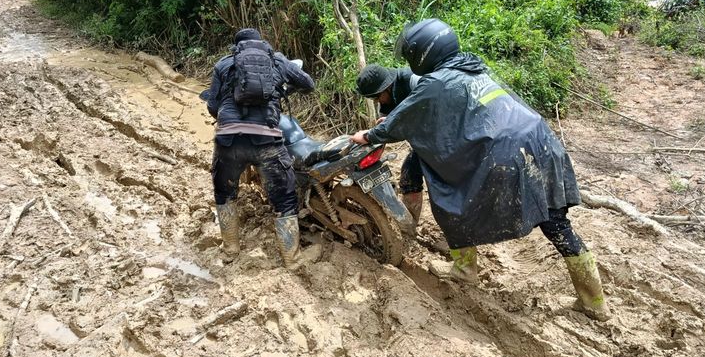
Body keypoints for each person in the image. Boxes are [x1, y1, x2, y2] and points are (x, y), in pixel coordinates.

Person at [351, 18, 610, 320]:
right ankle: (594, 301)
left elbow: (401, 121)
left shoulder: (435, 83)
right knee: (556, 224)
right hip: (540, 140)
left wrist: (368, 135)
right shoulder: (470, 67)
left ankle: (464, 269)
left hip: (505, 151)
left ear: (422, 55)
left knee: (449, 202)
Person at [206, 27, 318, 270]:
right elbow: (308, 84)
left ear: (236, 47)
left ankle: (230, 250)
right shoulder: (277, 60)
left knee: (224, 193)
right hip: (266, 141)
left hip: (229, 141)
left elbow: (212, 106)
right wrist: (283, 90)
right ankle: (292, 260)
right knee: (285, 199)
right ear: (261, 43)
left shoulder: (224, 64)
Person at [355, 64, 424, 222]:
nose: (378, 101)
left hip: (445, 137)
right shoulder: (386, 101)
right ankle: (409, 226)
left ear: (385, 88)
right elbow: (387, 133)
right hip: (423, 143)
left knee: (443, 185)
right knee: (409, 177)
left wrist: (368, 135)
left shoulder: (413, 80)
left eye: (377, 97)